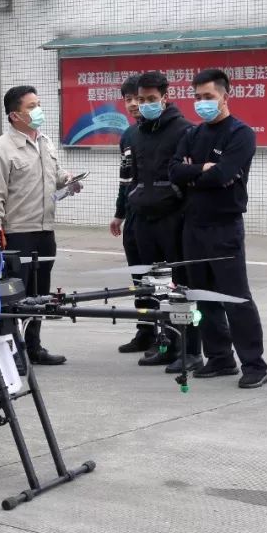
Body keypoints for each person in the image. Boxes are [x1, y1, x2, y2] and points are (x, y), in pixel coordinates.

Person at [169, 68, 267, 389]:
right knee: (203, 296)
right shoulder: (192, 134)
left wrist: (193, 174)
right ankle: (220, 357)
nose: (202, 103)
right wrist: (202, 170)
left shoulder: (241, 134)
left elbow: (224, 173)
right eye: (197, 97)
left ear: (226, 96)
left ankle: (254, 364)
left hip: (224, 226)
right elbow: (173, 171)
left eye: (208, 97)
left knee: (235, 297)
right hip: (193, 225)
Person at [0, 85, 78, 365]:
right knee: (15, 295)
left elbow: (54, 176)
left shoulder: (44, 142)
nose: (38, 111)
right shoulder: (1, 149)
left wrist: (67, 180)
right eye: (31, 107)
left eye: (39, 104)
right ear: (15, 115)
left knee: (39, 294)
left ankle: (34, 347)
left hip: (45, 230)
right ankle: (10, 352)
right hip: (17, 233)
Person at [127, 71, 203, 372]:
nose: (144, 104)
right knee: (155, 288)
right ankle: (166, 345)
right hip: (144, 220)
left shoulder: (185, 130)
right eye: (141, 99)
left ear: (165, 97)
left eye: (151, 99)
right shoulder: (137, 133)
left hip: (174, 219)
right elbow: (134, 176)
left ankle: (191, 350)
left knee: (181, 287)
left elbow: (190, 176)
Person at [110, 75, 154, 354]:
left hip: (158, 218)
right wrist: (119, 213)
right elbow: (125, 179)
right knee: (139, 278)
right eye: (129, 99)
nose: (134, 104)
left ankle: (168, 334)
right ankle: (145, 331)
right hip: (134, 216)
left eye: (139, 98)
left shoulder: (165, 132)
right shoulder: (128, 134)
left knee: (159, 278)